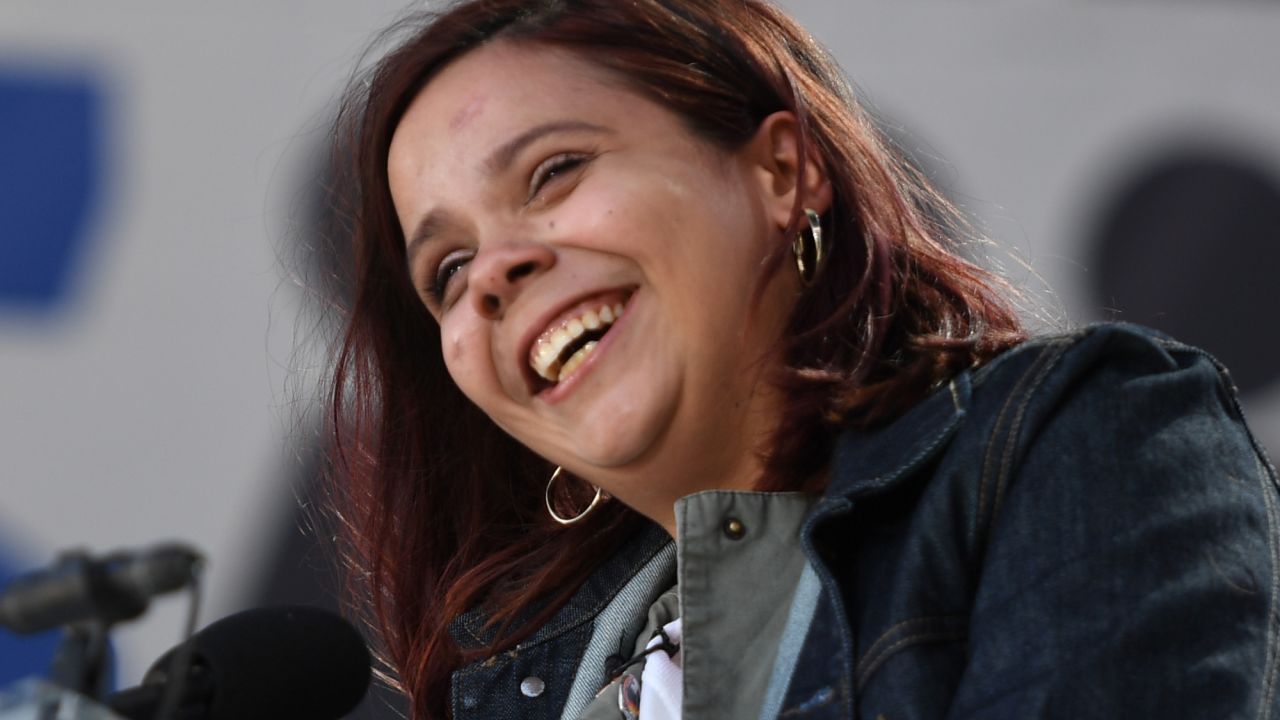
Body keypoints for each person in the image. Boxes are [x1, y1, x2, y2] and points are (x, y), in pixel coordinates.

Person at [319, 0, 1280, 718]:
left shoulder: (1082, 435)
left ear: (783, 172)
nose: (493, 272)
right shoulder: (520, 684)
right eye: (446, 269)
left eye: (555, 171)